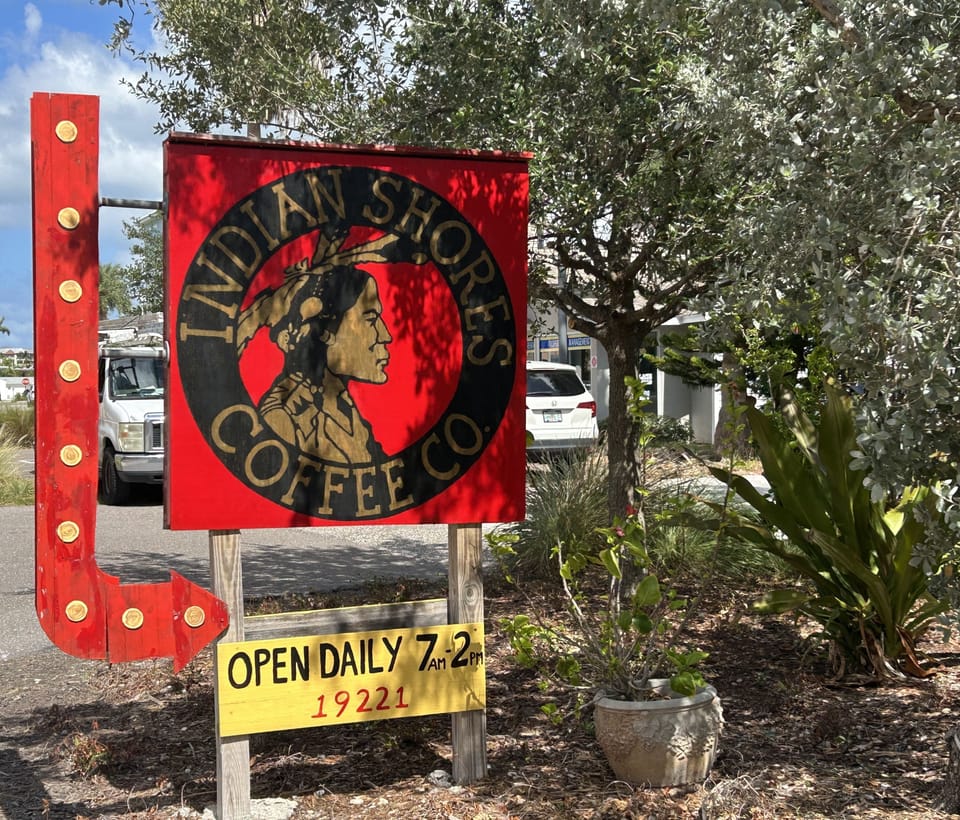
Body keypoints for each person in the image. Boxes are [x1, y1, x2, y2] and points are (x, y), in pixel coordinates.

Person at [238, 244, 394, 464]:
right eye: (370, 319)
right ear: (324, 333)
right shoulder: (283, 418)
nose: (385, 335)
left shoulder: (342, 405)